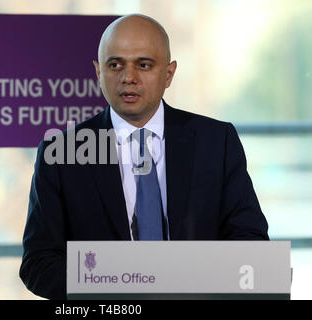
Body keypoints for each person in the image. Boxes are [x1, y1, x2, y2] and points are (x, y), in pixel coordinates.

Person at [19, 14, 269, 300]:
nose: (128, 77)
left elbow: (251, 245)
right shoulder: (61, 152)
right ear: (98, 73)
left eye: (144, 65)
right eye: (115, 65)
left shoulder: (216, 142)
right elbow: (38, 263)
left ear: (169, 74)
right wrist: (118, 290)